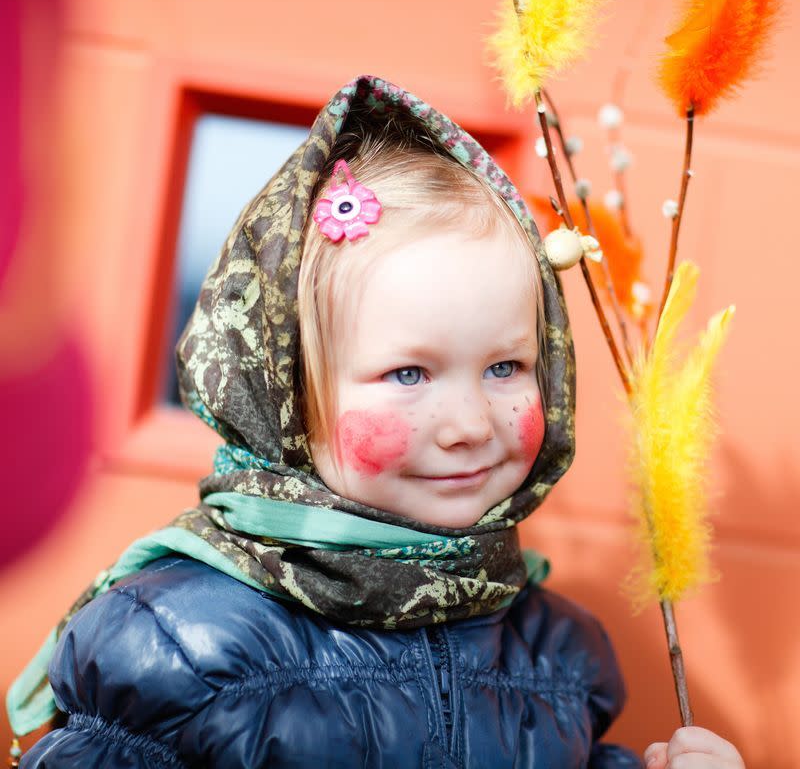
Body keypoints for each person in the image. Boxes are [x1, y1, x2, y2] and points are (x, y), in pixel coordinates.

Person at [8, 76, 744, 768]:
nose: (468, 423)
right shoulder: (177, 646)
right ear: (289, 398)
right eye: (408, 373)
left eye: (505, 367)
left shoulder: (558, 655)